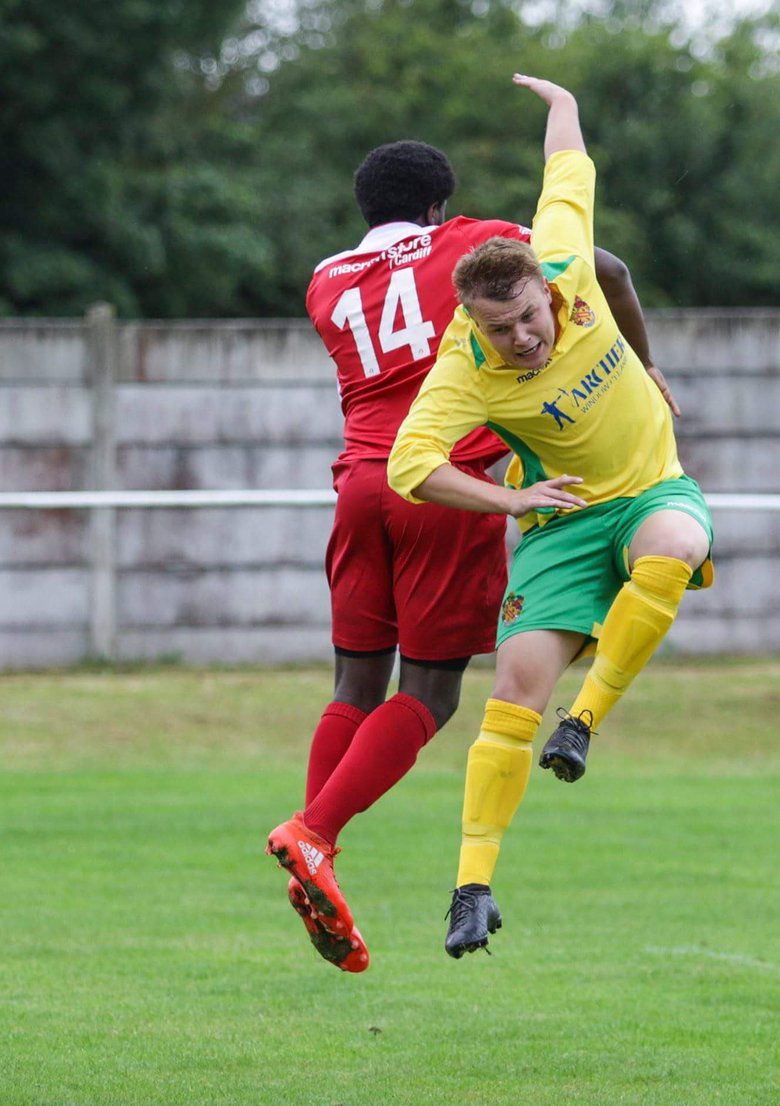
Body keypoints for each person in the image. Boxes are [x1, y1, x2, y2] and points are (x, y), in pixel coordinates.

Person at [266, 130, 677, 974]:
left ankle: (316, 851)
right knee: (431, 694)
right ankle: (313, 835)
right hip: (440, 488)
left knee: (353, 682)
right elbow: (599, 270)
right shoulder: (467, 247)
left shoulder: (325, 282)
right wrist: (641, 362)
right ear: (436, 206)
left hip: (357, 485)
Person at [387, 74, 714, 960]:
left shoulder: (566, 261)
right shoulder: (463, 368)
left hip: (650, 492)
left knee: (677, 545)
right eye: (502, 330)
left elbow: (567, 170)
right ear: (473, 323)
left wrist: (561, 98)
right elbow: (409, 465)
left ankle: (587, 724)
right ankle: (470, 891)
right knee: (510, 696)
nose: (523, 337)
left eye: (529, 317)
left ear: (543, 284)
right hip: (560, 526)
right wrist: (510, 498)